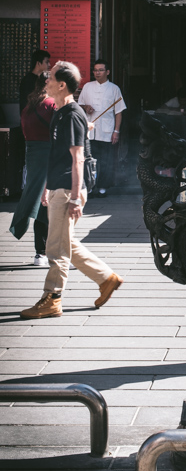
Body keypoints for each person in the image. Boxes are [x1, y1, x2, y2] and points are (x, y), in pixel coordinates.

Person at [20, 61, 123, 320]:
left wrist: (75, 198)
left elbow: (77, 159)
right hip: (58, 185)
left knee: (56, 249)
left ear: (62, 84)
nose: (46, 81)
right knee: (64, 242)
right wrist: (47, 186)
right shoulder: (61, 112)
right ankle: (106, 278)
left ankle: (52, 298)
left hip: (68, 189)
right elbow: (56, 156)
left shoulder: (72, 114)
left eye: (51, 77)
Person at [10, 72, 57, 265]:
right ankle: (51, 252)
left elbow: (25, 132)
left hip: (33, 155)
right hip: (50, 155)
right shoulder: (52, 105)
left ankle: (40, 252)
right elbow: (59, 132)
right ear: (48, 83)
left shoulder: (29, 107)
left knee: (39, 202)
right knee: (52, 203)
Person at [78, 59, 126, 196]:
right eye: (95, 70)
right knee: (89, 160)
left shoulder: (114, 88)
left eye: (100, 70)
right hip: (90, 131)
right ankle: (90, 186)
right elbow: (79, 105)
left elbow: (119, 112)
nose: (97, 73)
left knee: (106, 161)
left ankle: (103, 187)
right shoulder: (87, 86)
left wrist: (116, 131)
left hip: (107, 131)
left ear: (107, 72)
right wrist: (85, 107)